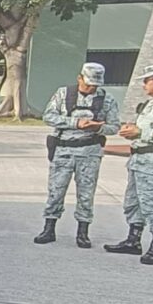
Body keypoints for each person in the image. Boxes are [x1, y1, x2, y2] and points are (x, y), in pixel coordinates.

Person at [34, 62, 120, 247]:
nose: (91, 89)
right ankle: (49, 228)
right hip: (64, 149)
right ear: (79, 78)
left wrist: (98, 127)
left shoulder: (107, 99)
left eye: (95, 86)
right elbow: (48, 116)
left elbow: (114, 127)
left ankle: (83, 232)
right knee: (56, 190)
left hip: (90, 151)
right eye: (88, 84)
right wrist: (75, 123)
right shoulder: (63, 94)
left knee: (86, 193)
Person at [104, 63, 153, 264]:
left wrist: (142, 133)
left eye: (147, 80)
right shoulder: (148, 106)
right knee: (133, 203)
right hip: (138, 161)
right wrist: (132, 133)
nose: (144, 85)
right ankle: (133, 240)